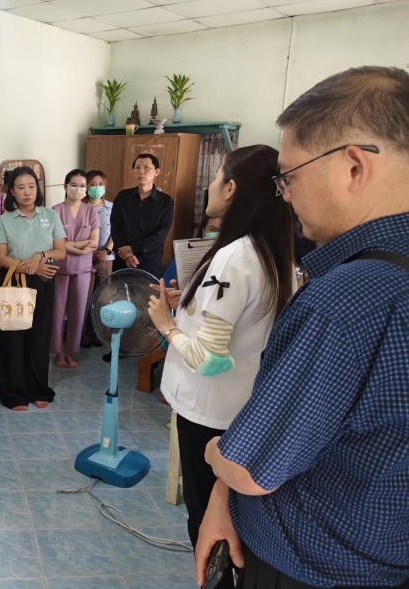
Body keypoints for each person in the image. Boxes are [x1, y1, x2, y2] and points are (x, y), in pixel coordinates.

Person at [195, 66, 409, 589]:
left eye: (288, 176)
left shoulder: (348, 300)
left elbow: (252, 468)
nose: (285, 195)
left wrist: (212, 454)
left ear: (353, 167)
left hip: (305, 564)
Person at [146, 145, 295, 588]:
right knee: (232, 522)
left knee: (207, 523)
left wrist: (166, 324)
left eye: (215, 177)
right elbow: (241, 324)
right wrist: (188, 304)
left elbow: (209, 359)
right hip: (242, 408)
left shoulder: (234, 256)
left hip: (208, 415)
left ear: (231, 189)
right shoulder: (275, 253)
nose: (209, 186)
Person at [0, 166, 66, 411]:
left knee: (39, 338)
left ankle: (37, 389)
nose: (27, 192)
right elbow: (1, 257)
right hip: (14, 281)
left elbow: (61, 251)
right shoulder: (5, 220)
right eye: (21, 187)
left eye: (31, 186)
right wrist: (31, 268)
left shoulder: (50, 216)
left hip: (44, 281)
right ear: (12, 192)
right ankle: (13, 394)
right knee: (12, 340)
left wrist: (39, 256)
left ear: (38, 189)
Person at [50, 169, 99, 369]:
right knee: (57, 312)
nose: (78, 189)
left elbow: (95, 241)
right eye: (74, 185)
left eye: (82, 186)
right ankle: (58, 352)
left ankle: (71, 352)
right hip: (60, 269)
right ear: (65, 187)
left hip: (83, 270)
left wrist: (71, 246)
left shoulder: (91, 211)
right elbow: (56, 242)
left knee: (78, 312)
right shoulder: (55, 211)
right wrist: (81, 247)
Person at [111, 152, 174, 279]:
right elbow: (115, 227)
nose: (141, 172)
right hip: (123, 260)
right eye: (137, 168)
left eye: (146, 168)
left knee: (148, 293)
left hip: (149, 262)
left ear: (157, 172)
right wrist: (127, 254)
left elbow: (160, 235)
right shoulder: (122, 197)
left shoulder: (166, 201)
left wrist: (133, 249)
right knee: (120, 292)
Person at [81, 169, 114, 347]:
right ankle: (82, 334)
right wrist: (89, 251)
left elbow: (116, 231)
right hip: (84, 256)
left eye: (100, 184)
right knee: (84, 297)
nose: (97, 187)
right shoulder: (82, 207)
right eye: (92, 184)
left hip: (106, 257)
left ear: (105, 185)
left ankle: (98, 333)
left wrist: (106, 251)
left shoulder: (111, 207)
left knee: (103, 297)